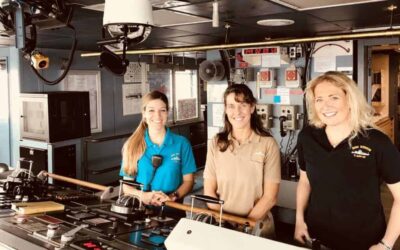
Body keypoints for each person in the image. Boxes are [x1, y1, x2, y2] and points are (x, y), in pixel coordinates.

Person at [295, 71, 400, 250]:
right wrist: (299, 220)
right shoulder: (307, 136)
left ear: (350, 100)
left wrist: (386, 244)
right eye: (319, 99)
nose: (325, 106)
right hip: (317, 238)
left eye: (333, 97)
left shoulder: (376, 142)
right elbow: (305, 181)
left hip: (364, 243)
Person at [203, 84, 281, 238]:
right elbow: (209, 191)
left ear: (252, 108)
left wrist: (244, 224)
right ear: (225, 109)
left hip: (257, 228)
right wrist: (225, 221)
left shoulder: (267, 143)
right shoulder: (216, 142)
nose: (237, 112)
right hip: (222, 226)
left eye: (243, 105)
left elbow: (270, 197)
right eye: (231, 106)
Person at [120, 90, 197, 207]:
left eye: (162, 110)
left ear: (167, 113)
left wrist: (172, 197)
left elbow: (189, 181)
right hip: (140, 209)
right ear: (144, 113)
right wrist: (142, 195)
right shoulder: (132, 145)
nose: (157, 115)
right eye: (151, 110)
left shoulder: (181, 144)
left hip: (172, 210)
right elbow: (126, 186)